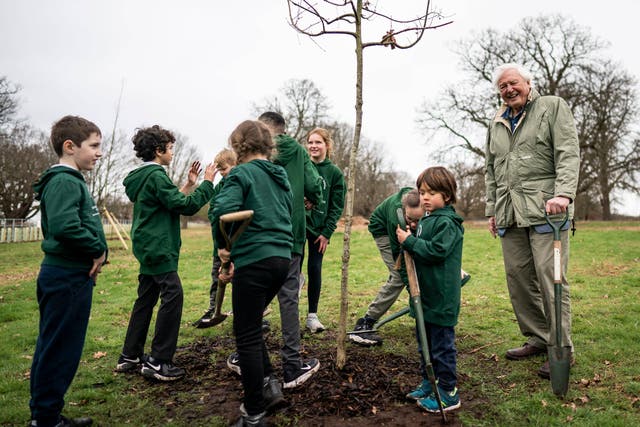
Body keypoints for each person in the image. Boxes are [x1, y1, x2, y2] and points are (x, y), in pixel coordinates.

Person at [485, 63, 580, 379]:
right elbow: (491, 169)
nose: (508, 89)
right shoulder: (496, 122)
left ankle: (561, 348)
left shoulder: (552, 107)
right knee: (519, 279)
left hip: (547, 211)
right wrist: (492, 209)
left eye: (513, 83)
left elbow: (568, 152)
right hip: (509, 212)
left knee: (550, 278)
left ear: (528, 82)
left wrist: (564, 194)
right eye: (502, 86)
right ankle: (538, 337)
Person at [115, 125, 215, 381]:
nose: (172, 153)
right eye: (170, 149)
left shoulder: (145, 177)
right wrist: (206, 184)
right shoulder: (157, 176)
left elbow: (167, 203)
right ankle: (159, 361)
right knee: (173, 295)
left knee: (146, 298)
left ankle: (130, 355)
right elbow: (186, 207)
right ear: (159, 151)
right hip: (159, 247)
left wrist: (188, 185)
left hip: (147, 245)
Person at [212, 120, 293, 427]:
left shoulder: (240, 174)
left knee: (245, 334)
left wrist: (223, 249)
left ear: (238, 145)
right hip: (281, 260)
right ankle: (270, 384)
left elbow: (222, 212)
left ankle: (254, 414)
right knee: (251, 322)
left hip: (255, 260)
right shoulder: (280, 175)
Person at [29, 115, 107, 427]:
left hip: (71, 276)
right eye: (94, 146)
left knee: (57, 346)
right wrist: (96, 248)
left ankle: (46, 414)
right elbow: (64, 227)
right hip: (66, 277)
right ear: (70, 146)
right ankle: (46, 419)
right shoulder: (63, 181)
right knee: (59, 349)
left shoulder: (71, 180)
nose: (99, 152)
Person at [397, 166, 464, 413]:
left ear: (446, 195)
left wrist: (410, 241)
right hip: (425, 295)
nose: (425, 197)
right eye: (422, 191)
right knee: (424, 343)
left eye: (432, 192)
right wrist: (414, 234)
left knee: (441, 346)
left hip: (441, 297)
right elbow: (426, 244)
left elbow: (437, 251)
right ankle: (430, 382)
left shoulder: (448, 222)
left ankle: (448, 392)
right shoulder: (428, 219)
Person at [348, 188, 425, 346]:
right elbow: (401, 259)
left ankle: (423, 317)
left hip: (399, 228)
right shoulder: (395, 217)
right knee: (398, 276)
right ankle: (365, 324)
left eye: (418, 220)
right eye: (410, 219)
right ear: (404, 210)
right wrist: (414, 291)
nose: (413, 224)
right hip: (382, 229)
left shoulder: (424, 204)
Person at [302, 127, 345, 333]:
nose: (313, 146)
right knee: (291, 266)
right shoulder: (301, 166)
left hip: (319, 230)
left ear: (327, 145)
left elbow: (336, 206)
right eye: (310, 142)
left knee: (315, 269)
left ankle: (312, 316)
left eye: (318, 142)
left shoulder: (334, 173)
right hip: (299, 225)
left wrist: (327, 232)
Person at [192, 148, 237, 328]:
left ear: (235, 165)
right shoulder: (220, 187)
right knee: (216, 277)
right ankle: (213, 308)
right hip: (219, 244)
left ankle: (252, 312)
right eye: (219, 170)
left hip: (237, 243)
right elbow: (213, 211)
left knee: (241, 280)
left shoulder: (240, 183)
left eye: (224, 168)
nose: (222, 173)